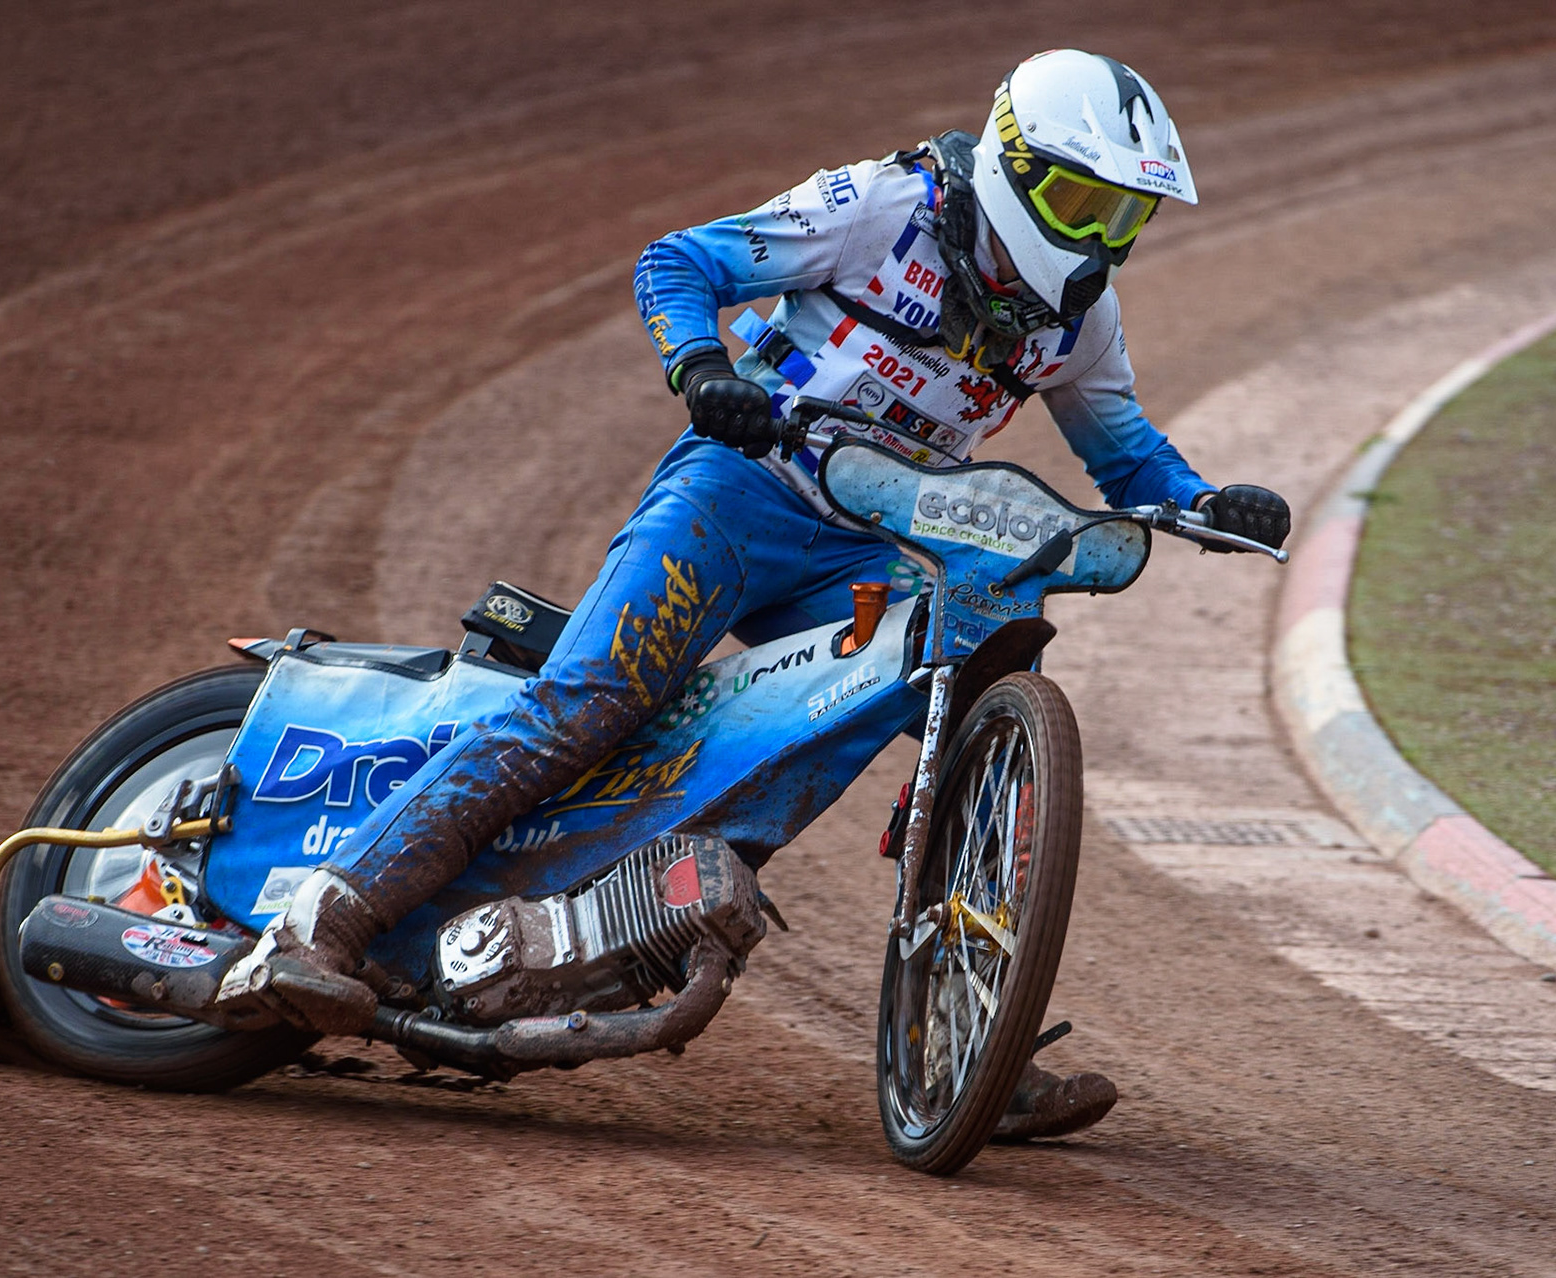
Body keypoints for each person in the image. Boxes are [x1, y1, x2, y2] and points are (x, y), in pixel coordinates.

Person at [214, 48, 1291, 1141]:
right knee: (588, 704)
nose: (1102, 239)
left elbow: (1128, 459)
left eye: (1128, 217)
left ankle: (972, 1042)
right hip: (742, 489)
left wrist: (1207, 503)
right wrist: (702, 370)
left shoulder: (1078, 322)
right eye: (1083, 202)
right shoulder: (884, 206)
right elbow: (679, 262)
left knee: (931, 714)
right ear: (1012, 165)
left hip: (880, 545)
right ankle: (316, 928)